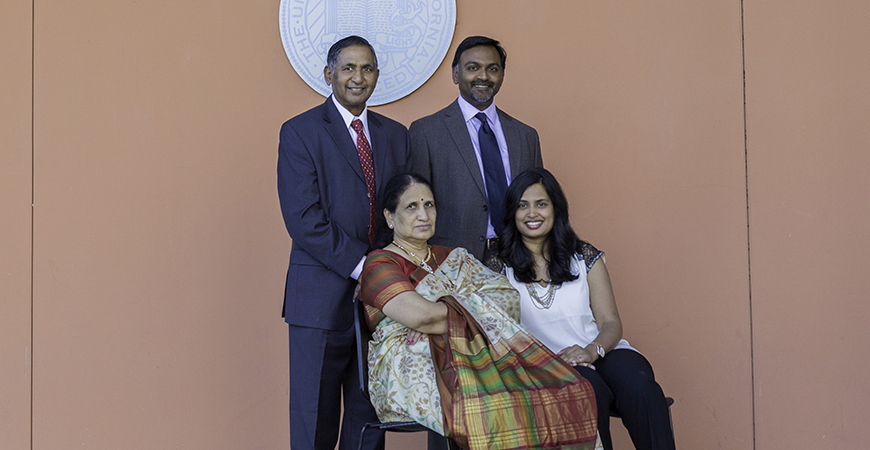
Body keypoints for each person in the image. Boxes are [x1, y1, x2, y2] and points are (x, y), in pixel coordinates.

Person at [359, 173, 602, 450]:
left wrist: (443, 312)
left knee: (559, 392)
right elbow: (421, 316)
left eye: (429, 205)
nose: (423, 214)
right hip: (410, 369)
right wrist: (470, 304)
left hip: (472, 353)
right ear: (390, 217)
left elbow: (506, 298)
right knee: (500, 404)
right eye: (411, 207)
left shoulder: (453, 257)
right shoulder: (380, 264)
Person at [277, 35, 410, 450]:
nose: (358, 77)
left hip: (380, 301)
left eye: (367, 68)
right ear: (328, 73)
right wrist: (366, 266)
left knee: (368, 416)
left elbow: (400, 209)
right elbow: (304, 219)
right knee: (313, 416)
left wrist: (390, 272)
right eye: (348, 68)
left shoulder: (395, 134)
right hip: (319, 299)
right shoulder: (299, 132)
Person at [499, 168, 676, 450]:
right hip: (548, 364)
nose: (532, 213)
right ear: (512, 212)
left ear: (557, 208)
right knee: (587, 390)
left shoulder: (584, 256)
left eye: (541, 204)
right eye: (523, 205)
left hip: (602, 350)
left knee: (642, 387)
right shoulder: (498, 269)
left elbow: (611, 323)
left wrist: (591, 350)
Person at [409, 35, 543, 266]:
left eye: (492, 69)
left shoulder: (525, 135)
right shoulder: (426, 132)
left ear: (502, 74)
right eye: (473, 68)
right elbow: (415, 206)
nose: (483, 76)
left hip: (520, 259)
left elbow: (540, 201)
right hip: (452, 262)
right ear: (455, 74)